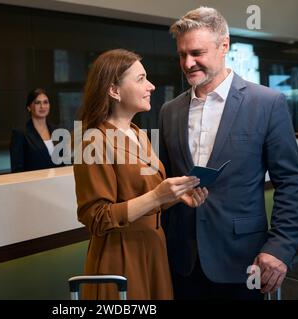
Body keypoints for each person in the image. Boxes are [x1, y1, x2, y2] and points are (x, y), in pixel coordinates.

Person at [159, 7, 298, 300]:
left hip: (244, 259)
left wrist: (280, 247)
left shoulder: (267, 103)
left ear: (224, 45)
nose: (188, 63)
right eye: (182, 55)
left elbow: (291, 182)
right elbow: (166, 180)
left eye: (197, 52)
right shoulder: (169, 111)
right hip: (182, 261)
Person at [73, 49, 208, 300]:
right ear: (114, 91)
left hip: (154, 248)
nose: (152, 86)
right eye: (141, 79)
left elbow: (146, 199)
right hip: (121, 255)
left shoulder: (138, 134)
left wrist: (176, 196)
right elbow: (96, 218)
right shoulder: (92, 141)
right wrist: (157, 197)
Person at [10, 88, 62, 172]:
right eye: (38, 103)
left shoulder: (58, 131)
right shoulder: (20, 133)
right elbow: (17, 170)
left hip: (59, 183)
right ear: (29, 107)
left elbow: (64, 163)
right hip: (35, 184)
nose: (42, 106)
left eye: (45, 102)